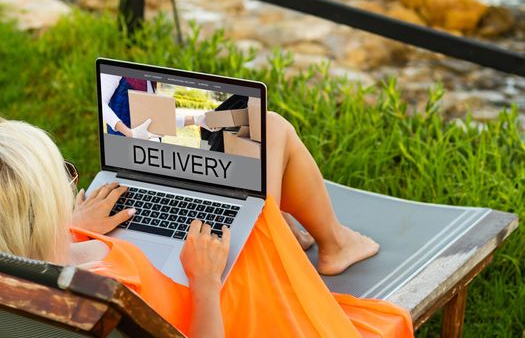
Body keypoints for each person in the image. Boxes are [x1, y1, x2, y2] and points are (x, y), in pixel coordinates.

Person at [0, 115, 411, 338]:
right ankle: (336, 244)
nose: (73, 186)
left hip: (177, 275)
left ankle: (286, 227)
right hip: (216, 293)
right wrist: (205, 279)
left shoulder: (22, 279)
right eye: (64, 181)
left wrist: (70, 227)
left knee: (254, 173)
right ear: (40, 213)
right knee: (270, 130)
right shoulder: (101, 294)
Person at [101, 74, 216, 140]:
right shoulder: (119, 66)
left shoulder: (150, 79)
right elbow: (101, 104)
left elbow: (156, 118)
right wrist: (130, 133)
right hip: (122, 150)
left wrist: (197, 120)